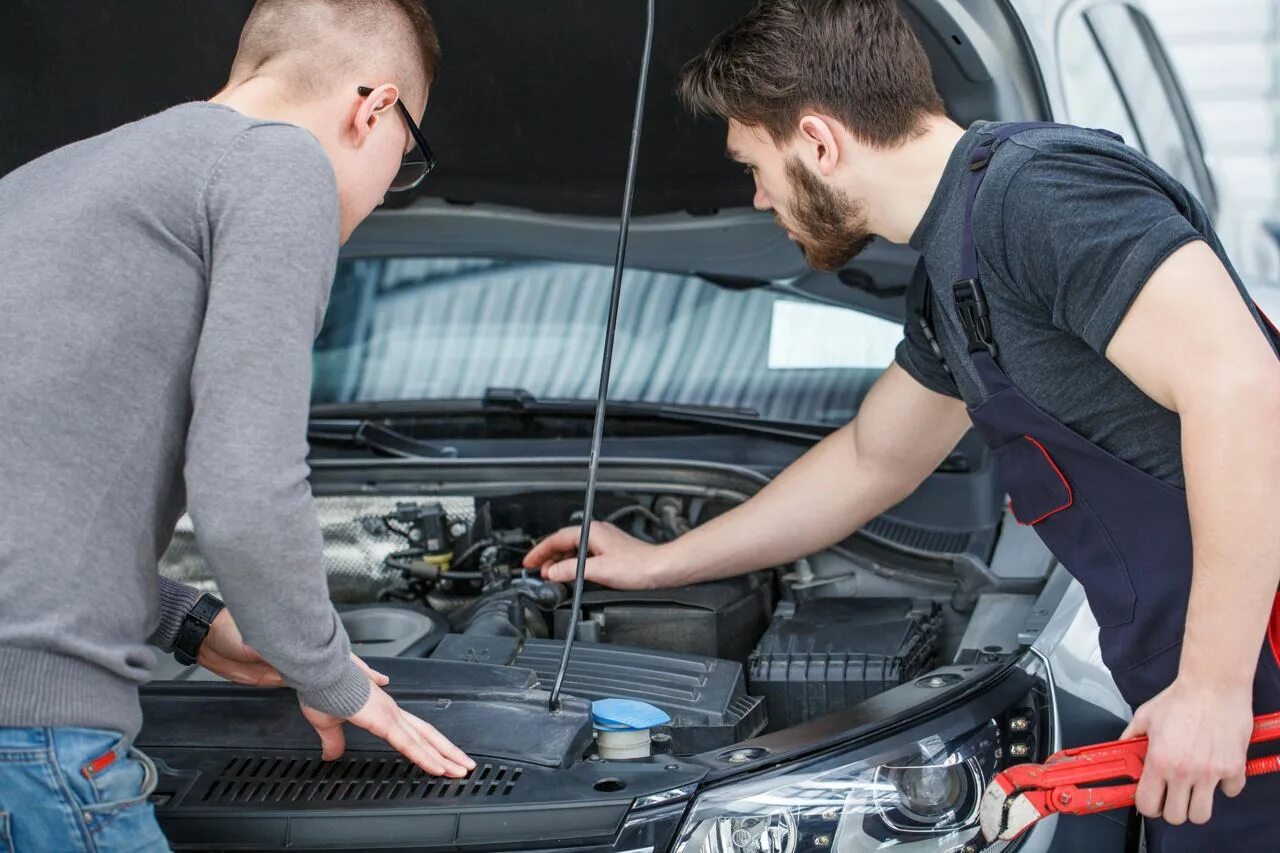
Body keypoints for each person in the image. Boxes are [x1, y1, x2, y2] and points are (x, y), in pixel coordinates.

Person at [524, 1, 1280, 849]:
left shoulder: (1042, 193)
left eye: (754, 164)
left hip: (1251, 686)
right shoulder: (954, 266)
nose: (757, 196)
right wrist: (661, 563)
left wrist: (1216, 688)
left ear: (818, 141)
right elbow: (871, 458)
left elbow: (1247, 388)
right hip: (1202, 696)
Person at [0, 1, 473, 849]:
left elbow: (33, 493)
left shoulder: (38, 183)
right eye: (408, 158)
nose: (386, 188)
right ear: (373, 108)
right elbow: (245, 489)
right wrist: (330, 673)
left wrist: (187, 618)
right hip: (32, 741)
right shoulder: (277, 163)